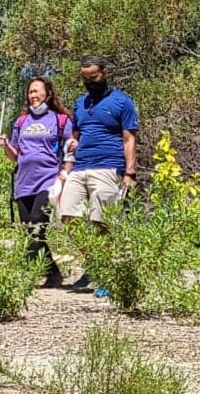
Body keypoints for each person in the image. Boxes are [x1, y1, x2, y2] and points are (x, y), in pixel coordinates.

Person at [58, 55, 138, 293]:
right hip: (80, 167)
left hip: (108, 165)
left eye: (93, 77)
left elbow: (129, 137)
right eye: (85, 78)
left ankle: (105, 273)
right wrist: (68, 163)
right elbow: (76, 136)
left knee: (100, 221)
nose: (89, 82)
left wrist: (130, 173)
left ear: (105, 73)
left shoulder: (121, 101)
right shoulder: (80, 103)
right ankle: (94, 265)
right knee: (67, 215)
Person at [0, 77, 72, 288]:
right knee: (29, 228)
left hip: (48, 179)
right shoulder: (21, 122)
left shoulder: (61, 120)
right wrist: (4, 145)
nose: (33, 95)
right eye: (30, 92)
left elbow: (70, 150)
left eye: (37, 91)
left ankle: (32, 271)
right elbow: (15, 155)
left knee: (38, 222)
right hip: (23, 182)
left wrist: (64, 174)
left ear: (47, 93)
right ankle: (51, 272)